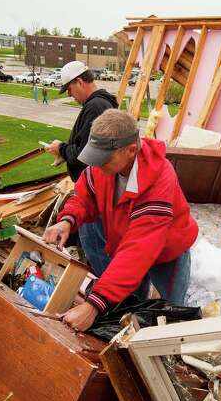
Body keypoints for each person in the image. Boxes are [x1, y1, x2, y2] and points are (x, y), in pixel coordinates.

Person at [42, 110, 198, 332]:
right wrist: (67, 220)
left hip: (168, 249)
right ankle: (132, 317)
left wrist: (94, 304)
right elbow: (84, 199)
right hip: (129, 238)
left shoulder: (160, 180)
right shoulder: (102, 168)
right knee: (130, 298)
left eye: (103, 158)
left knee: (171, 310)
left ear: (131, 150)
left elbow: (139, 250)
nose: (97, 165)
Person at [43, 61, 118, 181]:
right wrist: (65, 155)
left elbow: (86, 155)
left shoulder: (95, 107)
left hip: (92, 186)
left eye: (69, 89)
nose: (69, 94)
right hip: (95, 182)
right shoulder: (100, 103)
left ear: (79, 82)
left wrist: (61, 148)